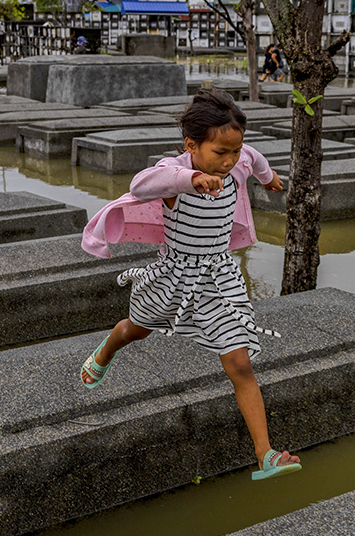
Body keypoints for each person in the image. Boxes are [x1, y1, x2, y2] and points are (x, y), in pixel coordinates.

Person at [80, 89, 301, 481]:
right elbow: (142, 183)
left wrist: (269, 179)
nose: (230, 161)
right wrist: (191, 178)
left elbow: (257, 160)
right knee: (136, 330)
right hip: (173, 276)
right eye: (220, 153)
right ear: (191, 145)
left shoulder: (240, 159)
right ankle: (105, 351)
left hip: (218, 278)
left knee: (240, 362)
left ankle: (265, 455)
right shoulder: (173, 176)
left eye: (235, 151)